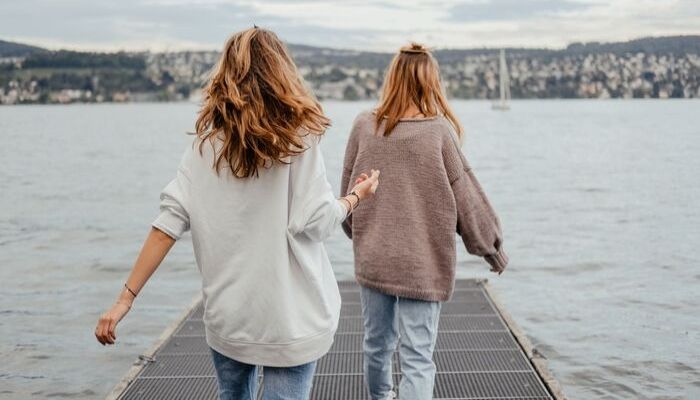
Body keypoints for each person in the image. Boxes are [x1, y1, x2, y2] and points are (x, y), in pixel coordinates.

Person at [94, 27, 380, 400]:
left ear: (226, 75)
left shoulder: (205, 147)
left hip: (230, 318)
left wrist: (125, 299)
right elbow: (315, 221)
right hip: (288, 319)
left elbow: (166, 226)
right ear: (283, 72)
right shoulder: (300, 139)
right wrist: (355, 197)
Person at [339, 42, 508, 400]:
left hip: (375, 256)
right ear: (432, 82)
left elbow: (347, 195)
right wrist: (491, 248)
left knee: (376, 346)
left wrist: (363, 235)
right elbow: (468, 200)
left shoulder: (363, 126)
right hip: (423, 262)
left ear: (392, 79)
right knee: (417, 357)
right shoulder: (438, 133)